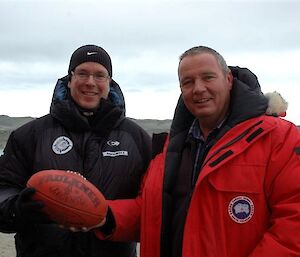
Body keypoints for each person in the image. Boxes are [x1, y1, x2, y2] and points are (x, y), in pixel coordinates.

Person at [93, 46, 300, 257]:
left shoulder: (278, 139)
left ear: (228, 79)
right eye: (188, 82)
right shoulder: (170, 149)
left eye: (208, 77)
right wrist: (104, 216)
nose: (198, 88)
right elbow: (153, 213)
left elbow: (293, 227)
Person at [0, 44, 152, 257]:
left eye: (100, 75)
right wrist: (19, 208)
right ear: (69, 79)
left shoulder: (137, 139)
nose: (90, 82)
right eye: (82, 73)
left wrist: (109, 218)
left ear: (110, 83)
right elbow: (4, 191)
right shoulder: (29, 135)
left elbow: (151, 206)